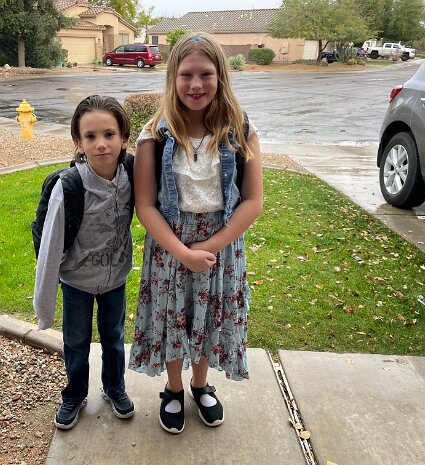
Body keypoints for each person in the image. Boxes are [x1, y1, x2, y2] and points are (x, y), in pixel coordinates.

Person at [128, 32, 264, 434]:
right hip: (170, 244)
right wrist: (182, 252)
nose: (196, 84)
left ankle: (201, 385)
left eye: (206, 74)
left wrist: (210, 246)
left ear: (220, 76)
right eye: (186, 74)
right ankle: (173, 390)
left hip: (222, 244)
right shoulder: (154, 135)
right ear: (173, 77)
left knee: (208, 316)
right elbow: (145, 206)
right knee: (173, 315)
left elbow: (253, 201)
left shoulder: (241, 130)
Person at [34, 95, 135, 430]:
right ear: (78, 143)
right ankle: (75, 394)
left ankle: (114, 387)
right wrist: (44, 307)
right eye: (90, 136)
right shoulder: (68, 187)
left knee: (114, 337)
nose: (101, 144)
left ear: (124, 138)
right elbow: (50, 247)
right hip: (76, 281)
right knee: (76, 341)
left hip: (115, 279)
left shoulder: (133, 174)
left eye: (109, 134)